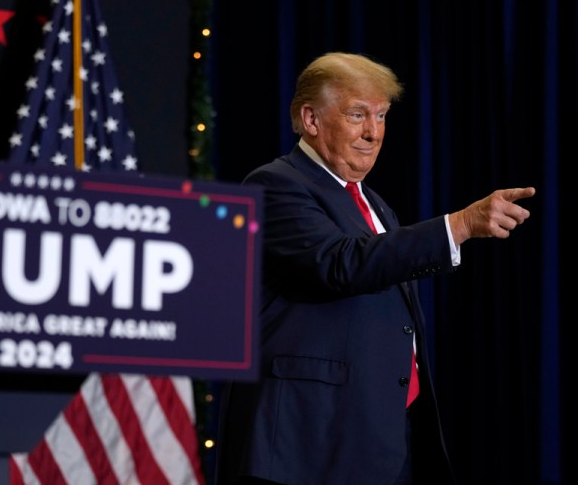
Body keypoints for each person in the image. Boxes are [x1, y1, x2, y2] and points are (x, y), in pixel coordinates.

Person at [214, 52, 535, 485]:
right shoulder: (276, 184)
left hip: (375, 433)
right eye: (357, 115)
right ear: (310, 119)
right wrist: (457, 226)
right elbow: (340, 263)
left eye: (381, 116)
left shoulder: (373, 203)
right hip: (307, 443)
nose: (373, 133)